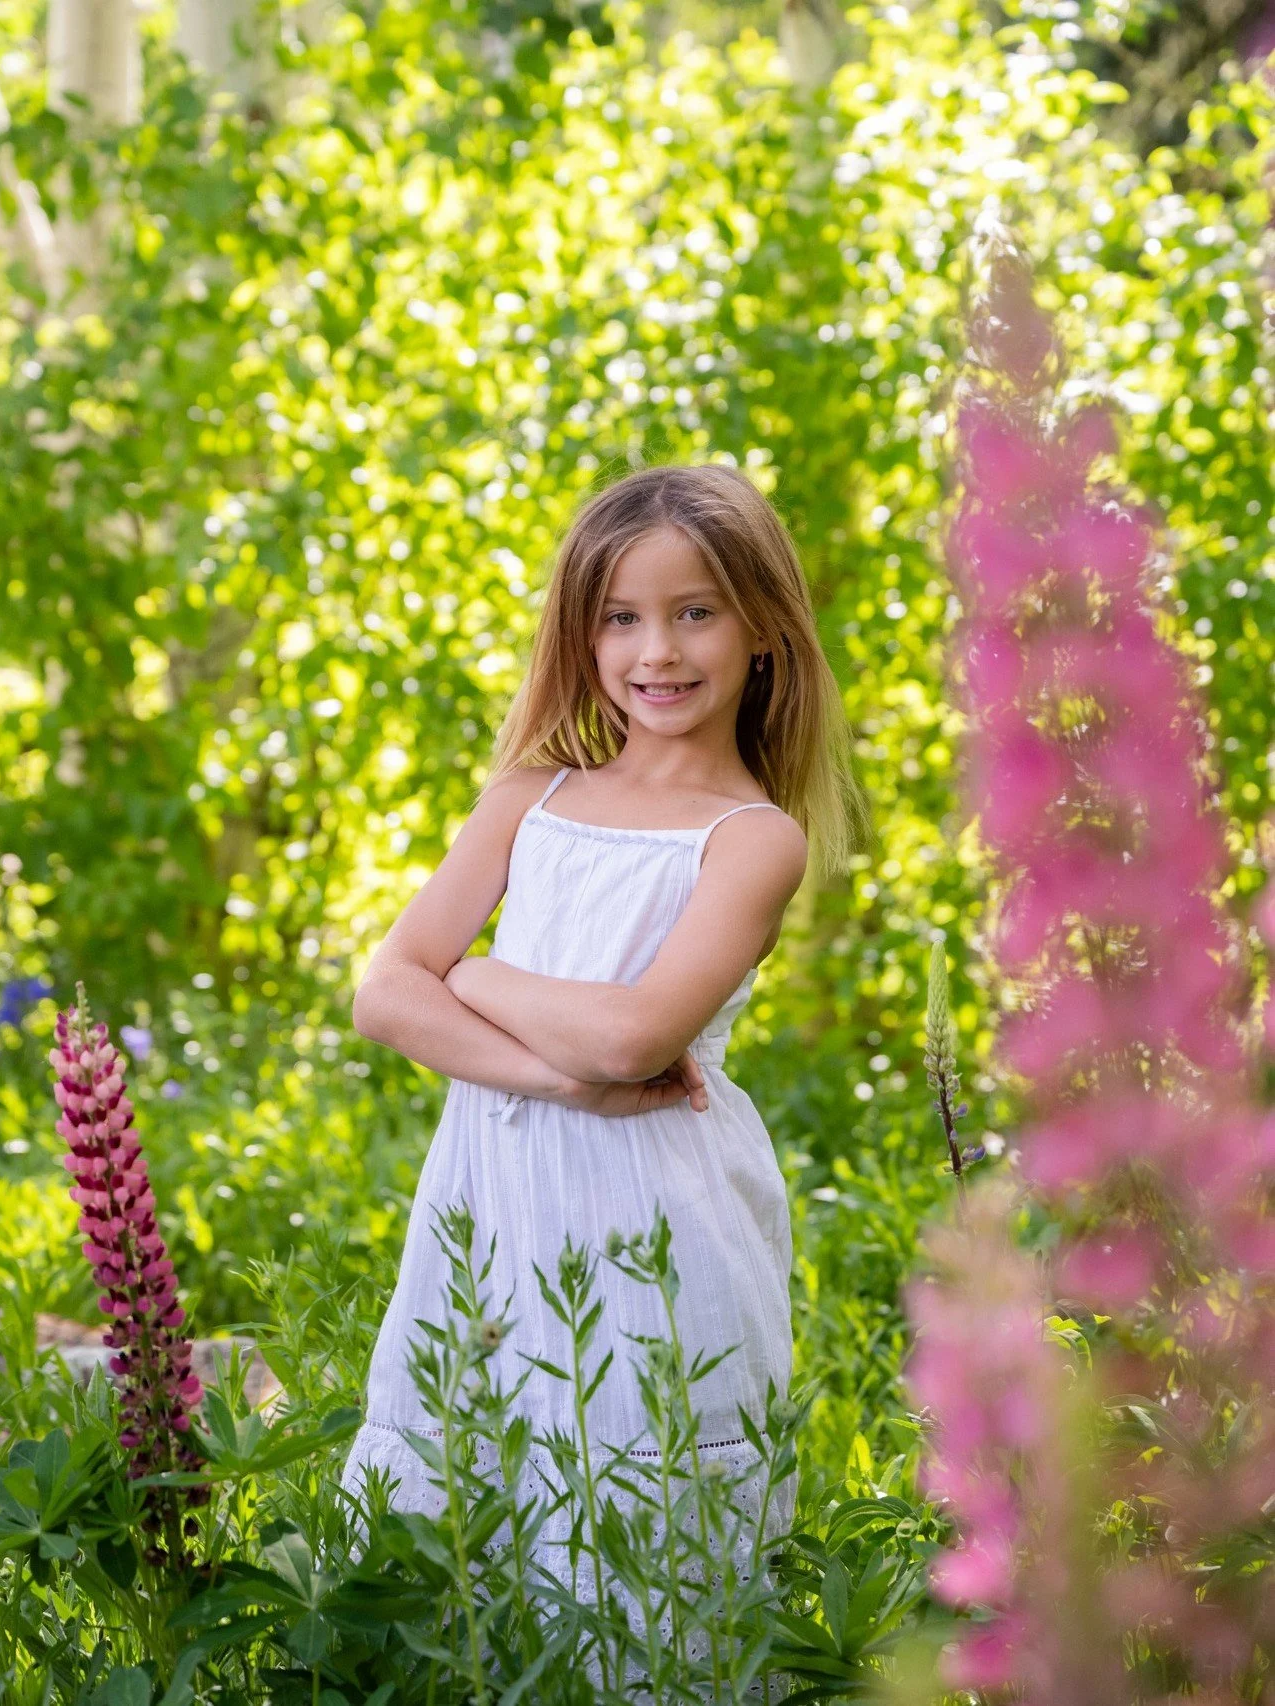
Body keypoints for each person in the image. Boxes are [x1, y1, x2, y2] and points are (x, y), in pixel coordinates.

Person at [340, 461, 867, 1673]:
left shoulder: (754, 839)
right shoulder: (533, 795)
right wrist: (553, 1074)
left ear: (766, 629)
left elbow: (638, 1039)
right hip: (493, 1203)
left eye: (696, 611)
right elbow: (383, 990)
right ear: (582, 635)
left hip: (657, 1217)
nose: (657, 649)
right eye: (621, 616)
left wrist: (471, 976)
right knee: (471, 1548)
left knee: (639, 1539)